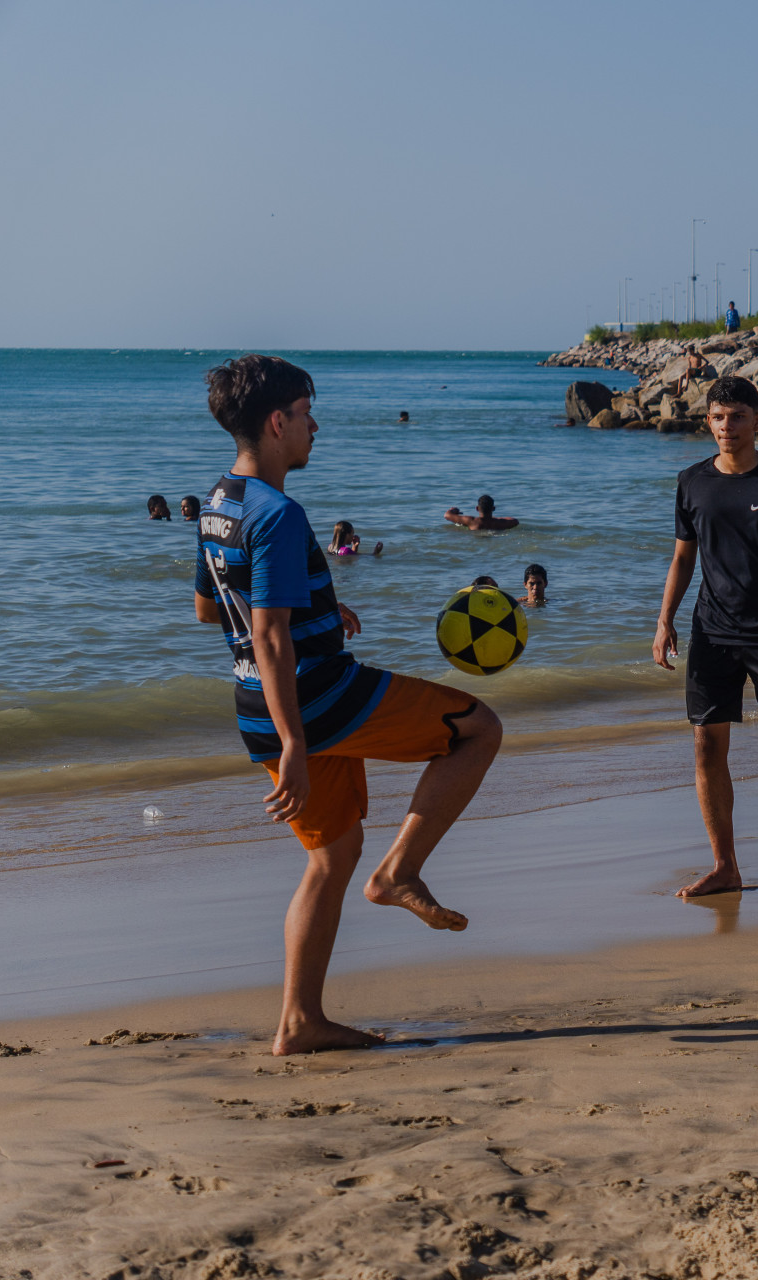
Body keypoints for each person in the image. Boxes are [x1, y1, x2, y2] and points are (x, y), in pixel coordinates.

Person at [192, 354, 502, 1056]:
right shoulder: (280, 513)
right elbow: (267, 633)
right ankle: (399, 874)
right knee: (479, 729)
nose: (314, 426)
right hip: (318, 702)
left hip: (254, 708)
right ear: (278, 422)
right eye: (306, 414)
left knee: (331, 857)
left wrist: (320, 610)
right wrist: (298, 741)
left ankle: (299, 1023)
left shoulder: (217, 504)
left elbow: (213, 611)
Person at [652, 376, 758, 897]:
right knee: (705, 750)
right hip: (712, 630)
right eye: (719, 418)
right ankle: (725, 866)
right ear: (708, 422)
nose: (728, 427)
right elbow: (682, 557)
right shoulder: (691, 481)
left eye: (738, 416)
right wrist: (664, 619)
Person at [444, 495, 519, 531]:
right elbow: (515, 521)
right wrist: (498, 519)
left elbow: (447, 515)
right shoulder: (500, 522)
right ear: (493, 508)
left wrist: (454, 510)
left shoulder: (471, 521)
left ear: (477, 508)